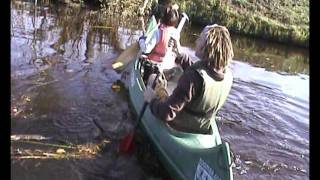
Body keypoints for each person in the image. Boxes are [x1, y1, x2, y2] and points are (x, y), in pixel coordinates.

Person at [143, 24, 234, 134]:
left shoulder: (192, 78)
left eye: (200, 39)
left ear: (206, 47)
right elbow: (203, 74)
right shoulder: (227, 75)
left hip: (179, 127)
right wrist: (180, 55)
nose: (196, 42)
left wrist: (152, 100)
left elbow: (167, 113)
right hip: (201, 127)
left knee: (153, 79)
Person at [138, 4, 180, 84]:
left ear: (163, 18)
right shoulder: (176, 33)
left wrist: (141, 40)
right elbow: (178, 51)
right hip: (168, 66)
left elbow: (146, 49)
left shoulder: (158, 32)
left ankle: (146, 82)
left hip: (154, 66)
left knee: (142, 56)